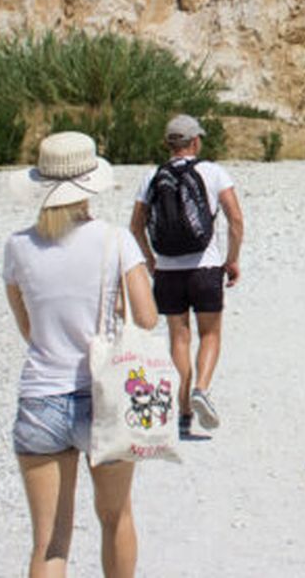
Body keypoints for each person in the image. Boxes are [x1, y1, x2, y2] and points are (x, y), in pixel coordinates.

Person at [4, 131, 159, 578]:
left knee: (51, 542)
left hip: (40, 397)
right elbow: (147, 319)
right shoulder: (115, 241)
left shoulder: (18, 248)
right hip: (104, 395)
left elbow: (29, 329)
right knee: (116, 518)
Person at [130, 115, 245, 440]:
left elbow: (136, 226)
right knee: (210, 335)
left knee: (179, 339)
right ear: (195, 142)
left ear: (169, 144)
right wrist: (232, 259)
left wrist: (151, 260)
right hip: (205, 268)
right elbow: (236, 219)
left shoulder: (152, 176)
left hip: (168, 272)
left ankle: (183, 411)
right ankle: (202, 389)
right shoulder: (212, 172)